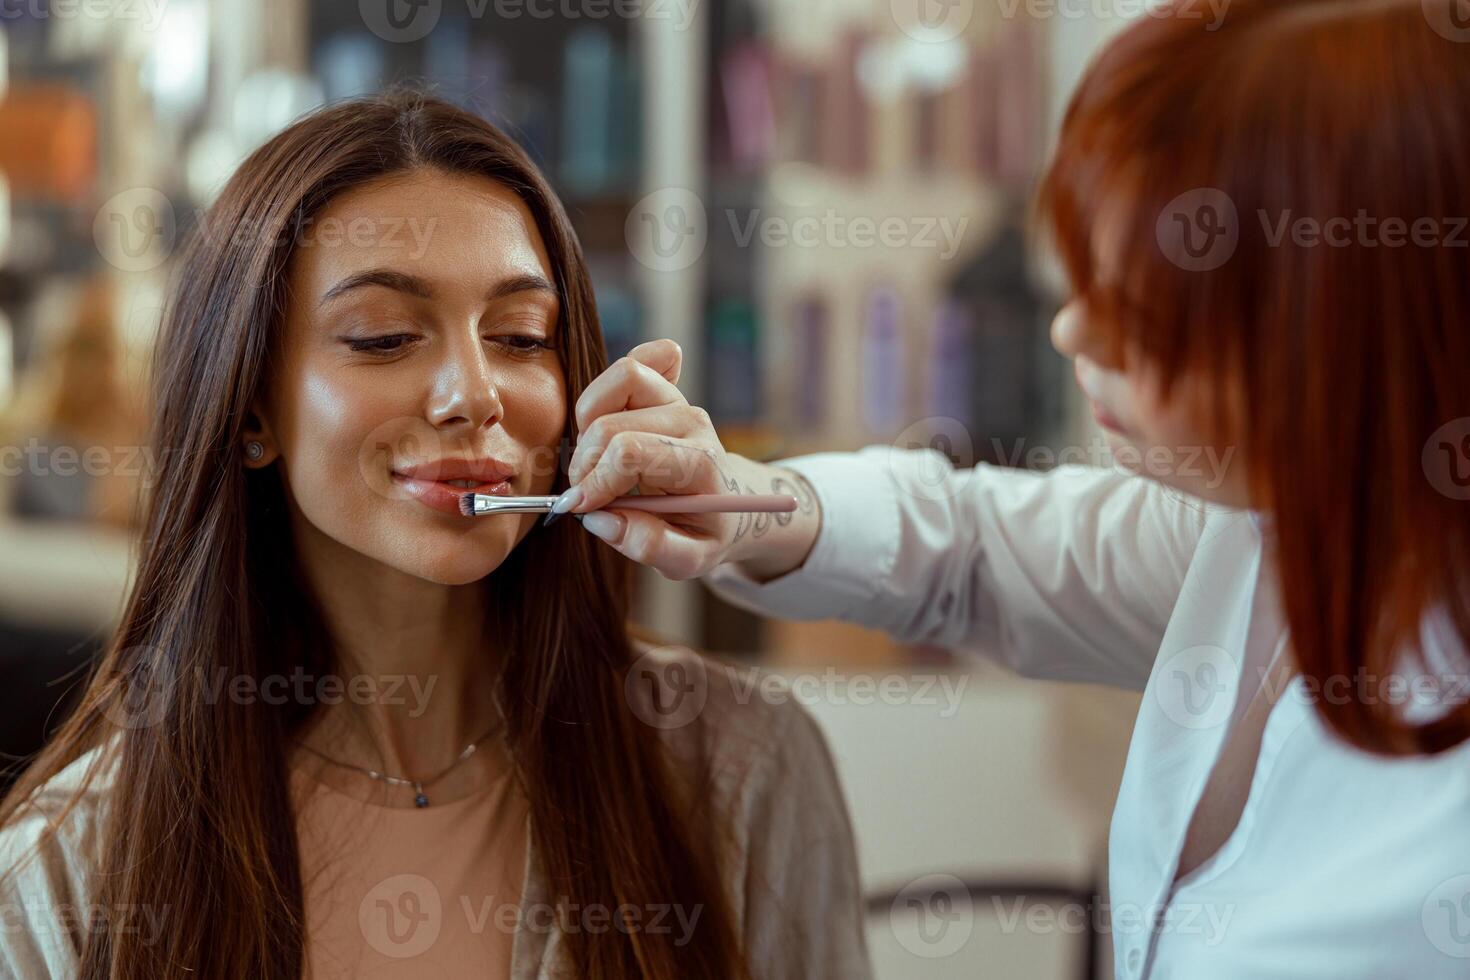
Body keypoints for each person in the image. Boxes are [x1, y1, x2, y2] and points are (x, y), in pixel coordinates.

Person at [545, 1, 1470, 976]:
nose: (1074, 336)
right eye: (1082, 284)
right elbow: (970, 544)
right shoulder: (1253, 530)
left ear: (1337, 328)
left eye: (1139, 316)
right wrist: (738, 497)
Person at [0, 92, 869, 979]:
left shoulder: (741, 772)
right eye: (384, 338)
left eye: (521, 337)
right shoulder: (68, 871)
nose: (475, 393)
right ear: (251, 406)